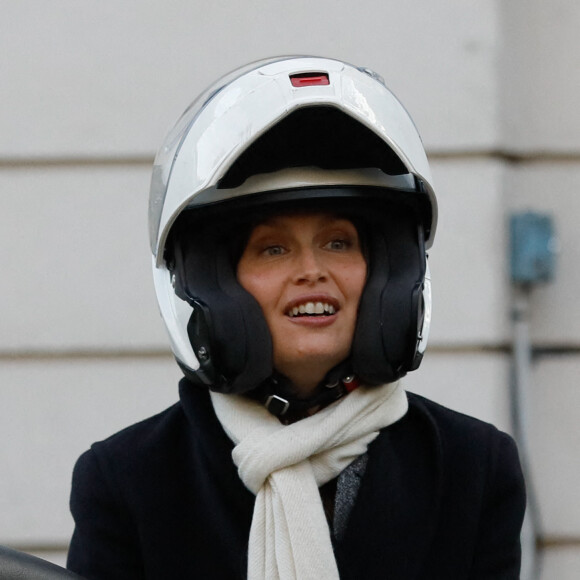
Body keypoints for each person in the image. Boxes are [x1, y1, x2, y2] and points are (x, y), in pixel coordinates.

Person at [67, 56, 526, 579]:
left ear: (387, 276)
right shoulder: (128, 478)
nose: (311, 271)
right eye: (273, 249)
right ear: (217, 285)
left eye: (338, 243)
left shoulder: (473, 466)